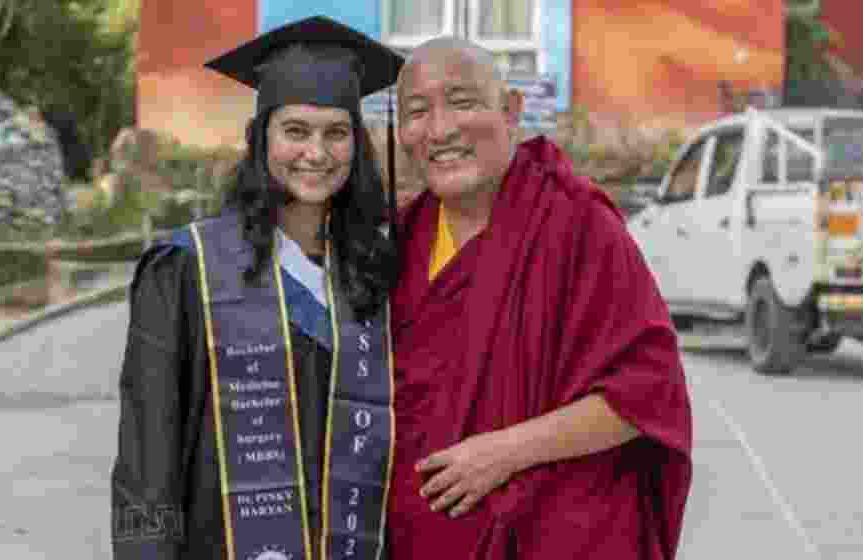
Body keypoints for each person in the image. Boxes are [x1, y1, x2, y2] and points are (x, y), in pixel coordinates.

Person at [387, 37, 694, 559]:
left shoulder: (577, 226)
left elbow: (647, 394)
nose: (440, 130)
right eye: (417, 112)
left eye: (462, 102)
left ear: (510, 110)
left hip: (553, 538)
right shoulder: (399, 242)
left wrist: (504, 452)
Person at [110, 16, 404, 560]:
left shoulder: (377, 270)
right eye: (296, 131)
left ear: (356, 146)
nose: (316, 153)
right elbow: (147, 454)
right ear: (261, 137)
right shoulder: (187, 269)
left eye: (335, 133)